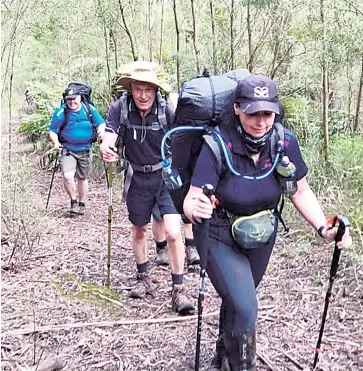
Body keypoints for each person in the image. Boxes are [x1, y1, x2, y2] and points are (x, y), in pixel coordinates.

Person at [183, 74, 352, 370]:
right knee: (246, 305)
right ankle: (242, 365)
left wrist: (323, 227)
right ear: (237, 108)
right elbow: (191, 199)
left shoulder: (283, 141)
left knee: (238, 299)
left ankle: (223, 354)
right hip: (219, 233)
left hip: (261, 233)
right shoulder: (217, 144)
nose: (260, 121)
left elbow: (300, 189)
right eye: (252, 112)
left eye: (267, 113)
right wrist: (194, 208)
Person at [100, 61, 194, 314]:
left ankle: (179, 289)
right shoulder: (120, 108)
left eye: (148, 90)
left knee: (174, 232)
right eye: (138, 89)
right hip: (136, 178)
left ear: (155, 91)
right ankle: (143, 277)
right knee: (139, 229)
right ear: (130, 88)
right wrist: (106, 147)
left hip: (164, 178)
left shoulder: (167, 111)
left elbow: (181, 138)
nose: (143, 95)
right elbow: (110, 134)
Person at [49, 87, 105, 215]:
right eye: (69, 99)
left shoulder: (89, 109)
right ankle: (73, 202)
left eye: (74, 99)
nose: (71, 102)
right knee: (68, 176)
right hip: (68, 149)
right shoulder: (61, 112)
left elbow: (101, 123)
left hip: (85, 149)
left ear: (80, 97)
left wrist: (101, 132)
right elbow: (53, 130)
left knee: (82, 177)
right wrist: (56, 142)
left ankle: (82, 203)